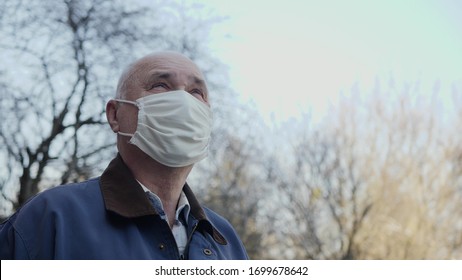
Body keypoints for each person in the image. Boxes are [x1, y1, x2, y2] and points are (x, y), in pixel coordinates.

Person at [0, 51, 248, 260]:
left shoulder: (225, 240)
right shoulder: (52, 218)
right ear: (115, 115)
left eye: (196, 92)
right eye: (161, 85)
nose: (183, 101)